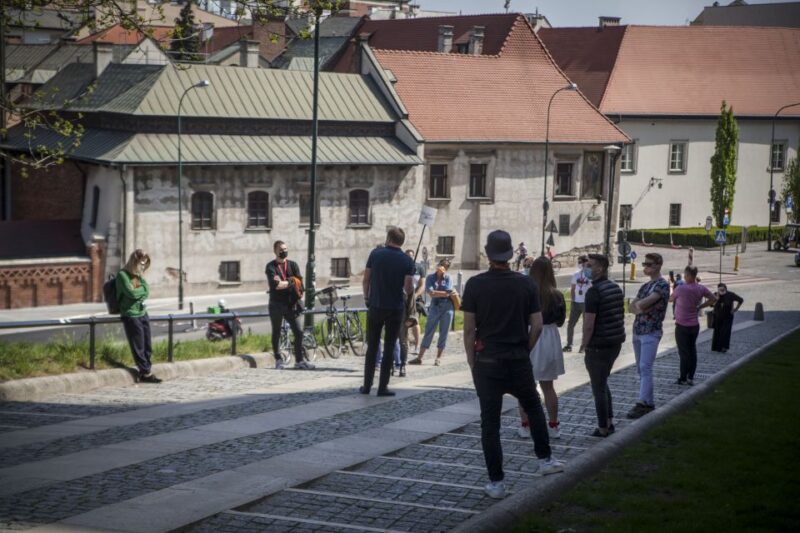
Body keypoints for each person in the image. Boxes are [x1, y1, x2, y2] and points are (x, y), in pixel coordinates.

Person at [462, 230, 564, 500]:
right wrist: (524, 349)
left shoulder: (475, 285)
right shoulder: (526, 284)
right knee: (534, 407)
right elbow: (537, 325)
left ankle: (496, 483)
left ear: (488, 254)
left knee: (490, 423)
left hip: (487, 361)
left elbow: (469, 330)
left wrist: (472, 362)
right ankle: (545, 459)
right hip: (518, 359)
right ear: (510, 254)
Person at [361, 227, 415, 396]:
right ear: (401, 241)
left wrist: (367, 298)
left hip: (376, 305)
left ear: (389, 238)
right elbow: (408, 288)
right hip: (395, 308)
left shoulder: (376, 254)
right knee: (390, 346)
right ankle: (382, 387)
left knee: (372, 346)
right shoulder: (407, 260)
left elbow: (366, 279)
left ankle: (367, 386)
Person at [517, 257, 566, 439]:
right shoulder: (557, 295)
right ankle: (553, 425)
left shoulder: (527, 292)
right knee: (548, 386)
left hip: (530, 334)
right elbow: (560, 321)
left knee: (525, 386)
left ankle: (526, 425)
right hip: (550, 336)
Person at [582, 253, 625, 437]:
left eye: (589, 265)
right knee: (602, 382)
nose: (586, 268)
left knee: (598, 387)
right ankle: (609, 421)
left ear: (600, 269)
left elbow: (589, 323)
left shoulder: (594, 292)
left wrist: (584, 344)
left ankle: (603, 427)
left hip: (599, 345)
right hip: (615, 342)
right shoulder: (615, 287)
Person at [626, 253, 671, 419]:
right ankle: (648, 402)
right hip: (638, 330)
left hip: (651, 331)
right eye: (644, 264)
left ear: (658, 265)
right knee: (641, 368)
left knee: (645, 367)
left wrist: (641, 306)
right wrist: (641, 307)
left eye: (649, 264)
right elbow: (632, 307)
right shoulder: (645, 286)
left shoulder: (662, 285)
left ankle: (643, 402)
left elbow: (642, 304)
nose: (646, 267)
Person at [266, 240, 314, 370]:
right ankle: (278, 360)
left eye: (285, 249)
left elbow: (300, 284)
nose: (284, 251)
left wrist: (286, 282)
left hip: (292, 305)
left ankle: (299, 361)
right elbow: (276, 286)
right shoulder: (271, 267)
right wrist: (292, 281)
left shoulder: (293, 265)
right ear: (275, 251)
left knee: (299, 332)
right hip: (276, 305)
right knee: (276, 332)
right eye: (281, 250)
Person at [117, 249, 161, 383]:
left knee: (147, 344)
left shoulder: (136, 277)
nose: (142, 266)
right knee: (138, 345)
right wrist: (140, 291)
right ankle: (145, 373)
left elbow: (146, 291)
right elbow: (132, 293)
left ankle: (147, 370)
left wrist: (140, 290)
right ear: (134, 261)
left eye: (144, 264)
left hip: (142, 312)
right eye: (141, 263)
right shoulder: (123, 275)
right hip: (131, 314)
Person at [669, 266, 716, 385]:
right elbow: (713, 299)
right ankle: (691, 376)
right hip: (694, 325)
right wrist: (700, 306)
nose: (684, 277)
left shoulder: (681, 288)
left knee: (683, 352)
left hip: (682, 326)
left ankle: (683, 378)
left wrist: (670, 287)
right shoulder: (701, 288)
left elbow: (670, 299)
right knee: (692, 350)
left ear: (689, 276)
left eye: (685, 275)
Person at [409, 260, 455, 366]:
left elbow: (447, 293)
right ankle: (420, 357)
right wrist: (441, 293)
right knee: (429, 331)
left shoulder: (448, 278)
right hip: (435, 306)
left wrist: (437, 292)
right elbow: (431, 293)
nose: (443, 268)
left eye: (446, 267)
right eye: (442, 265)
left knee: (444, 332)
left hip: (447, 307)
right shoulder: (431, 277)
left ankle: (438, 358)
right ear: (438, 265)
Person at [564, 255, 591, 352]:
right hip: (576, 302)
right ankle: (569, 344)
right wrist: (573, 300)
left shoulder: (590, 275)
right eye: (579, 262)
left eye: (580, 262)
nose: (579, 264)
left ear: (585, 263)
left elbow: (592, 288)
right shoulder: (576, 275)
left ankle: (583, 346)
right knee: (571, 324)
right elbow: (573, 288)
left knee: (585, 325)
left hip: (586, 302)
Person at [711, 283, 743, 353]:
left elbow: (741, 300)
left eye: (723, 289)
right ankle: (717, 347)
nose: (721, 291)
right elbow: (711, 304)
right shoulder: (716, 294)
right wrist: (716, 299)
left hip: (728, 316)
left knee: (725, 332)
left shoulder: (731, 294)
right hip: (718, 316)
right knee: (717, 332)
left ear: (725, 288)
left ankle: (724, 347)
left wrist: (735, 309)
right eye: (720, 289)